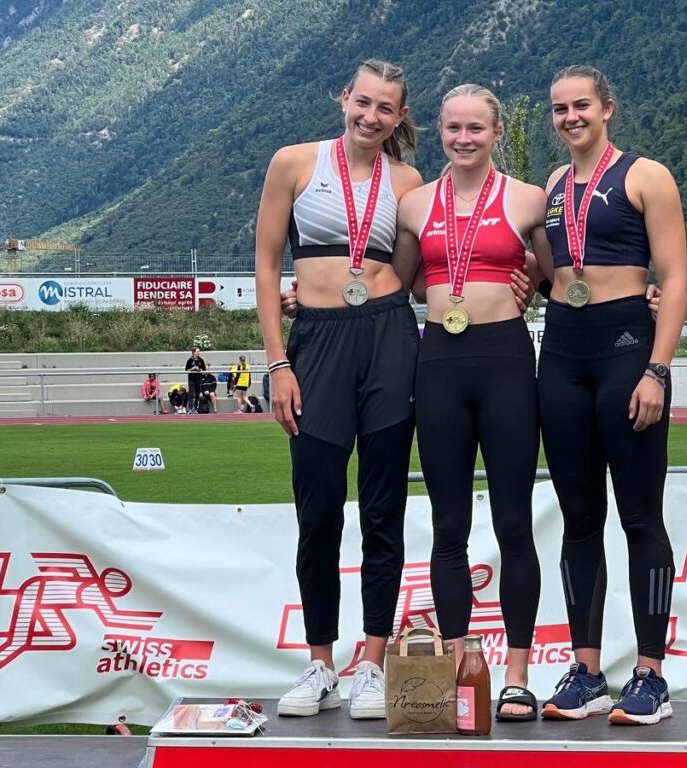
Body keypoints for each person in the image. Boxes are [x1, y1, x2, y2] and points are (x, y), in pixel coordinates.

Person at [254, 59, 423, 721]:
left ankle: (372, 666)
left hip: (387, 340)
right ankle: (321, 662)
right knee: (318, 510)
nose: (371, 116)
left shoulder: (409, 183)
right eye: (363, 102)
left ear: (399, 118)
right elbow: (268, 266)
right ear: (343, 97)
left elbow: (414, 278)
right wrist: (277, 363)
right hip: (315, 347)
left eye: (386, 108)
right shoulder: (293, 164)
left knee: (383, 513)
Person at [534, 65, 687, 726]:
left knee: (640, 518)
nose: (570, 118)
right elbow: (549, 276)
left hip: (628, 348)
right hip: (564, 351)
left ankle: (650, 674)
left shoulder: (646, 176)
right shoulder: (550, 187)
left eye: (581, 106)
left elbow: (675, 277)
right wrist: (526, 287)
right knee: (579, 519)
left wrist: (657, 369)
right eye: (560, 109)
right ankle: (587, 671)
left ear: (608, 109)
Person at [390, 84, 547, 721]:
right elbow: (393, 284)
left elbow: (560, 278)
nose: (463, 138)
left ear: (496, 132)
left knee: (513, 522)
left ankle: (515, 671)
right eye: (453, 127)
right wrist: (307, 299)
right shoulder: (414, 205)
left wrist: (536, 280)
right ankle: (460, 662)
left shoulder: (528, 199)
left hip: (508, 361)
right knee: (448, 525)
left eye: (476, 128)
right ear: (439, 130)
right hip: (441, 366)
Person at [184, 347, 207, 414]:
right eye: (197, 352)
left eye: (199, 352)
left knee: (197, 394)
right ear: (194, 352)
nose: (198, 353)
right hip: (191, 378)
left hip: (198, 379)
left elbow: (204, 369)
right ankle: (190, 408)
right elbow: (186, 369)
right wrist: (192, 369)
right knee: (191, 394)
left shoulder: (201, 360)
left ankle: (195, 408)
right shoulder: (189, 360)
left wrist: (199, 369)